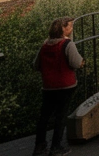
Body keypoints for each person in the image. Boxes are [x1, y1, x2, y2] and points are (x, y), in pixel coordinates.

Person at [33, 16, 84, 155]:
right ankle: (56, 147)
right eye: (70, 26)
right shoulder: (67, 44)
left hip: (48, 86)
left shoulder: (45, 45)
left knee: (44, 116)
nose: (71, 28)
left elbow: (36, 65)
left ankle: (40, 146)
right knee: (60, 116)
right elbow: (76, 63)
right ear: (63, 29)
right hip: (65, 85)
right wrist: (82, 62)